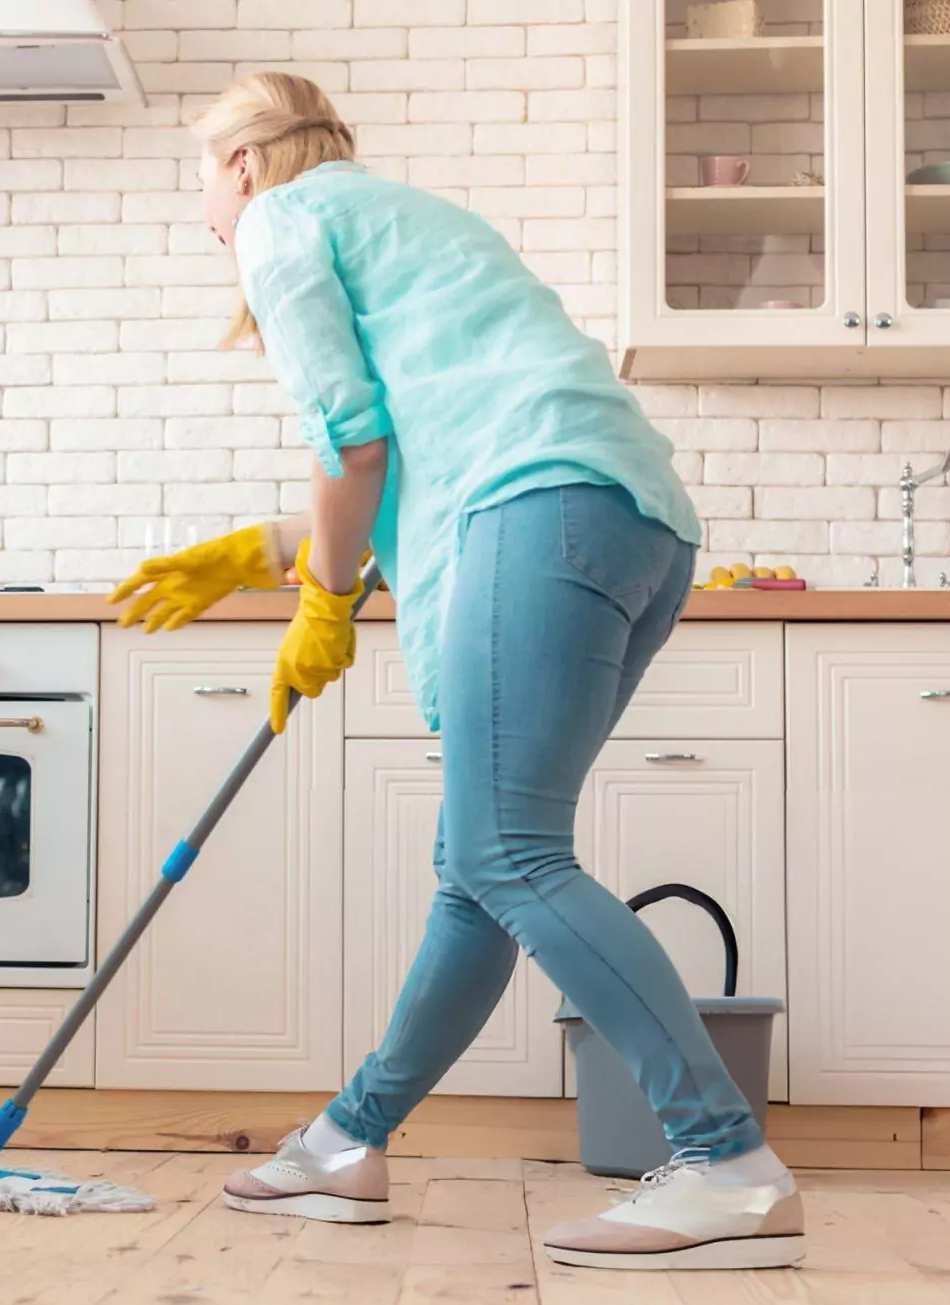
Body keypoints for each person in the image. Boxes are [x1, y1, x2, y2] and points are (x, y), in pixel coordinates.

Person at [111, 73, 803, 1272]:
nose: (202, 216)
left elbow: (353, 440)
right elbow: (427, 440)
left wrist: (322, 604)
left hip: (538, 515)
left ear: (238, 165)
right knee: (477, 870)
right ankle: (345, 1142)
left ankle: (724, 1162)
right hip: (626, 524)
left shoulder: (284, 219)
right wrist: (270, 549)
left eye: (199, 181)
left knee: (507, 855)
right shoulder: (401, 217)